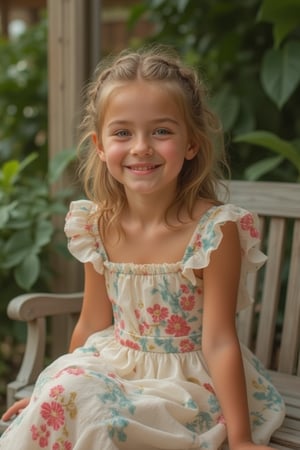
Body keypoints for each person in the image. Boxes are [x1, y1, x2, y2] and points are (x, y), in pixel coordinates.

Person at [0, 45, 285, 450]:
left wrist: (240, 439)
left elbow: (219, 340)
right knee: (76, 402)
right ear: (100, 146)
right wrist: (50, 397)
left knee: (103, 423)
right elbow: (92, 321)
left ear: (191, 144)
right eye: (122, 133)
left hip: (186, 382)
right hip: (116, 366)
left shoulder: (214, 233)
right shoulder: (97, 225)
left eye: (162, 131)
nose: (140, 147)